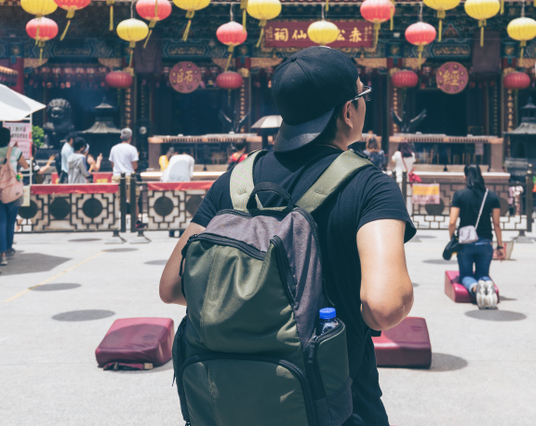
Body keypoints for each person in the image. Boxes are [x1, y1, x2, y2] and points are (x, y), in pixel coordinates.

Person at [160, 47, 415, 426]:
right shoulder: (369, 186)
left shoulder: (234, 182)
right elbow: (384, 306)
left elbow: (172, 287)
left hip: (229, 405)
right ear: (348, 111)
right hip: (335, 404)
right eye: (362, 97)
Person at [448, 164, 505, 309]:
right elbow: (497, 223)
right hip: (485, 242)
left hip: (465, 242)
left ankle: (475, 288)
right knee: (483, 274)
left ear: (465, 176)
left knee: (466, 275)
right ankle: (486, 285)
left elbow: (452, 222)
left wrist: (452, 239)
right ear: (481, 176)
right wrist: (500, 246)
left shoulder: (459, 195)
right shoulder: (491, 195)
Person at [0, 127, 29, 266]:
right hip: (13, 192)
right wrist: (14, 151)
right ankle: (9, 247)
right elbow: (25, 166)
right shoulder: (15, 151)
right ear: (8, 138)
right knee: (10, 222)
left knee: (0, 223)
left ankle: (2, 254)